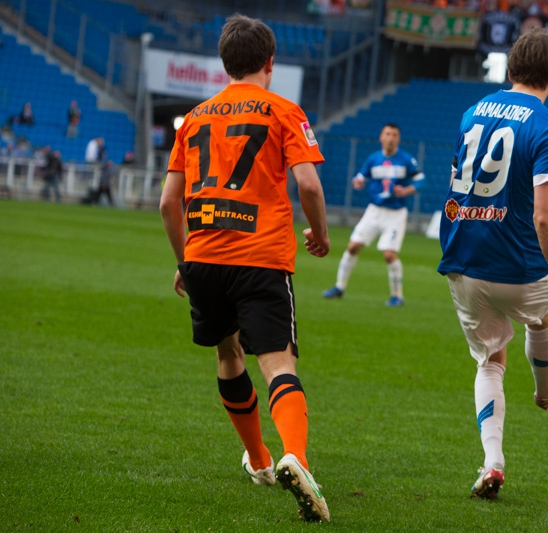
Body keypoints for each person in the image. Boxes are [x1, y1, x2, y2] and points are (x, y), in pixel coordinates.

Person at [160, 13, 331, 523]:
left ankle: (258, 459)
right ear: (270, 63)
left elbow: (170, 203)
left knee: (227, 353)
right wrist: (319, 235)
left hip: (205, 256)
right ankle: (294, 458)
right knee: (279, 364)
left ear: (225, 62)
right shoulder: (283, 110)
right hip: (260, 257)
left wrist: (185, 260)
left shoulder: (194, 116)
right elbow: (309, 185)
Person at [437, 27, 548, 500]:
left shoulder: (471, 112)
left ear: (510, 69)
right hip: (519, 266)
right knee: (540, 314)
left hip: (462, 258)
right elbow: (546, 217)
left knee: (490, 361)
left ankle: (493, 462)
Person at [322, 123, 424, 306]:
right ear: (381, 137)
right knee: (353, 246)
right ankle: (339, 286)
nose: (390, 138)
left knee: (389, 255)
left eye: (394, 135)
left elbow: (421, 181)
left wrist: (407, 190)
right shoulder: (373, 159)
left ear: (398, 139)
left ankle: (397, 296)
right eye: (387, 134)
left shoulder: (406, 160)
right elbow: (360, 176)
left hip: (395, 213)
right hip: (374, 211)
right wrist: (357, 181)